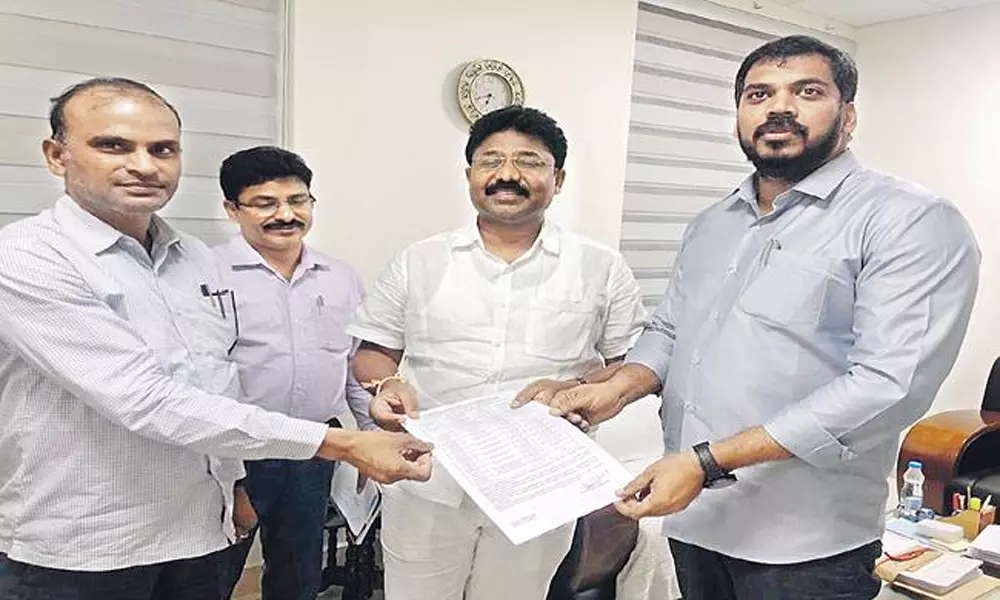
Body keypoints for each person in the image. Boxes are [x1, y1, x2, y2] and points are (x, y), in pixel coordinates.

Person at [524, 35, 980, 600]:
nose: (779, 107)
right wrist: (615, 389)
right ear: (739, 114)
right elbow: (670, 332)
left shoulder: (908, 221)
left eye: (807, 92)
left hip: (805, 542)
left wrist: (708, 462)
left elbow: (888, 384)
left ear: (848, 115)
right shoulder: (713, 223)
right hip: (694, 520)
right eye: (759, 94)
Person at [0, 77, 430, 600]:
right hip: (86, 542)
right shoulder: (28, 258)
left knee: (297, 572)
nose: (144, 165)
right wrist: (344, 445)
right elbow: (146, 400)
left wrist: (234, 483)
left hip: (196, 526)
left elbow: (217, 379)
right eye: (113, 145)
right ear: (56, 155)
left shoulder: (193, 260)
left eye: (163, 149)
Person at [347, 106, 647, 600]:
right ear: (469, 175)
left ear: (558, 179)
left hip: (541, 486)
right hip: (428, 479)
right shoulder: (418, 261)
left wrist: (577, 389)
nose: (507, 174)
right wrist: (387, 384)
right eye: (491, 161)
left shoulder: (601, 267)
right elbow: (374, 351)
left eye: (528, 161)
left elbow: (628, 367)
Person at [214, 145, 377, 600]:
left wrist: (368, 438)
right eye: (265, 203)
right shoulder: (207, 276)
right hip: (238, 448)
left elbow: (353, 365)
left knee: (298, 570)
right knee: (213, 570)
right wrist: (232, 474)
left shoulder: (339, 276)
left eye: (297, 200)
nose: (285, 215)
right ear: (232, 209)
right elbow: (200, 381)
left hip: (315, 446)